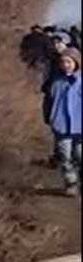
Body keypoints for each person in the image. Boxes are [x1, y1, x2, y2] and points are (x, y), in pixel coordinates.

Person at [47, 47, 82, 195]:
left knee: (79, 155)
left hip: (80, 126)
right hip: (62, 126)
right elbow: (49, 102)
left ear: (76, 63)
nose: (66, 65)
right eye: (63, 62)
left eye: (69, 61)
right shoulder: (56, 82)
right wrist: (51, 119)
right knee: (66, 156)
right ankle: (71, 183)